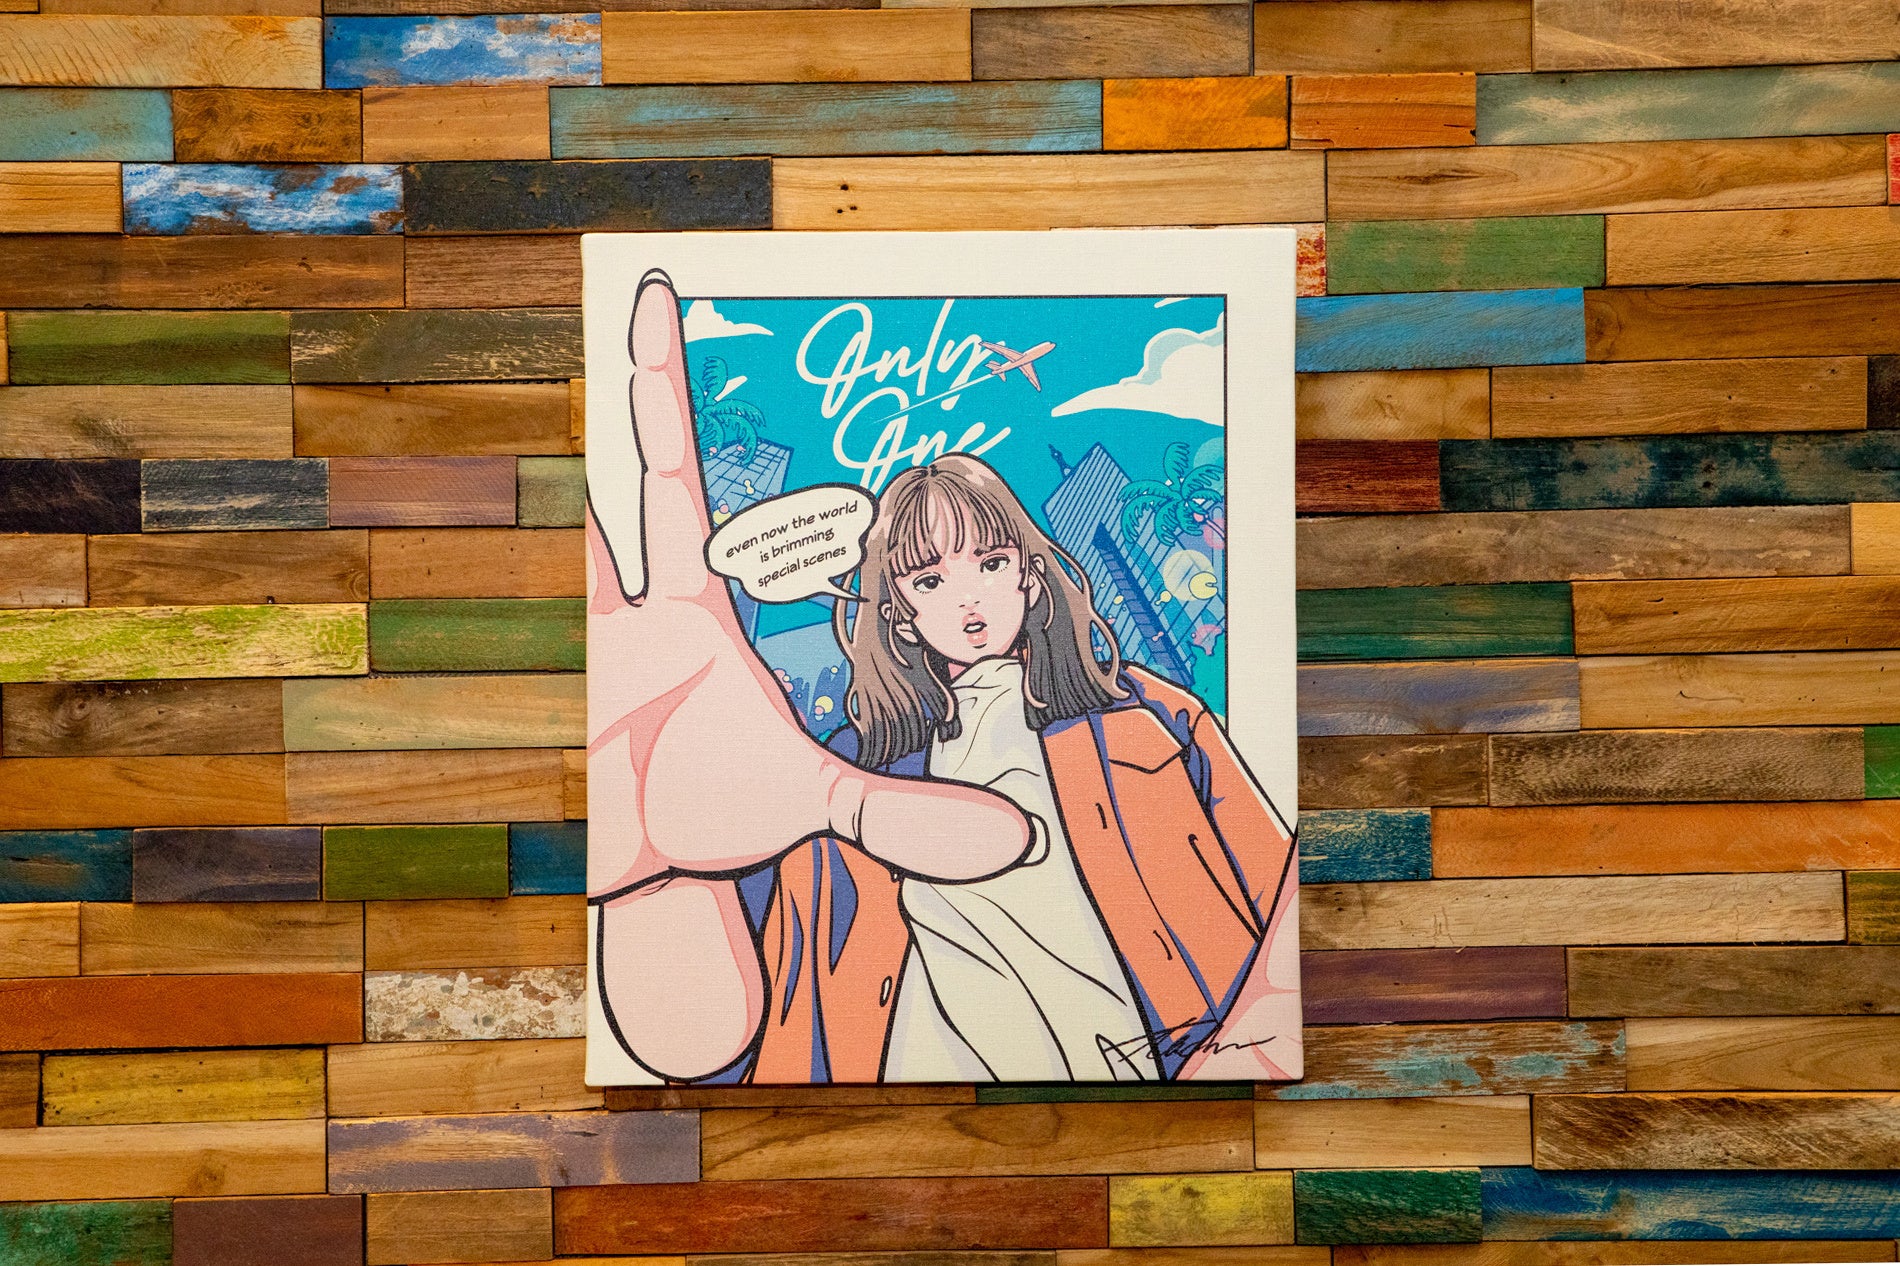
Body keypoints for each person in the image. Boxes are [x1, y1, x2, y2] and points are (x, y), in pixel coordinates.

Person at [587, 271, 1299, 1086]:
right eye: (930, 579)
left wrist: (1249, 1045)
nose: (969, 597)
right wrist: (647, 890)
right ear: (897, 612)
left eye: (990, 562)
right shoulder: (838, 771)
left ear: (1029, 572)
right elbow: (713, 1045)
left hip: (1163, 1069)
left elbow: (1279, 889)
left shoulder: (1146, 715)